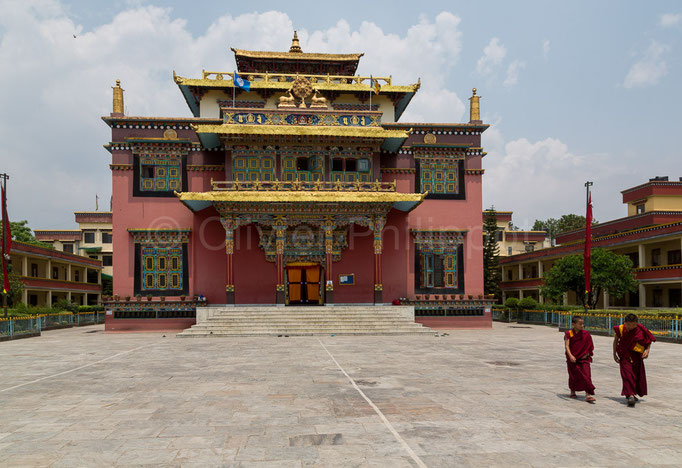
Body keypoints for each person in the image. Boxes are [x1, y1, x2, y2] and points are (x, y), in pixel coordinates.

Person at [613, 313, 655, 407]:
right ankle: (631, 395)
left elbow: (648, 341)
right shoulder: (620, 329)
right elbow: (615, 341)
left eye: (633, 325)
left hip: (637, 356)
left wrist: (647, 351)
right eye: (628, 325)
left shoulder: (640, 329)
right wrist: (614, 354)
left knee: (636, 376)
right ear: (625, 323)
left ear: (636, 323)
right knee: (627, 375)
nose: (631, 327)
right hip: (625, 355)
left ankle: (631, 393)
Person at [564, 316, 596, 403]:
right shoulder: (569, 333)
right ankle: (572, 391)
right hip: (573, 359)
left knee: (587, 375)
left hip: (584, 359)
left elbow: (590, 346)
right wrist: (570, 356)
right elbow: (567, 346)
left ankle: (588, 394)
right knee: (573, 375)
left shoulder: (586, 334)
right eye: (580, 324)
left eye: (583, 324)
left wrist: (587, 354)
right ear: (573, 324)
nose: (582, 325)